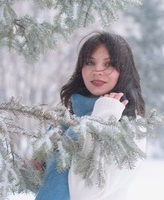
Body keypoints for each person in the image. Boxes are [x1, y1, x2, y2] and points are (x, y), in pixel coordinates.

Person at [35, 31, 146, 200]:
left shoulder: (129, 125)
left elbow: (86, 192)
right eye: (90, 62)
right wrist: (36, 168)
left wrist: (101, 119)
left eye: (108, 64)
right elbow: (53, 186)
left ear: (123, 71)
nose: (98, 71)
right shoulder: (70, 119)